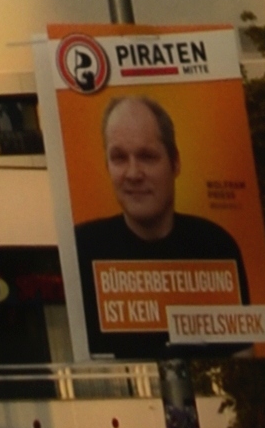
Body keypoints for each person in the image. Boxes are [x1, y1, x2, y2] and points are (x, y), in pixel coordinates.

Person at [74, 95, 243, 340]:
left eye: (147, 156)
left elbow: (241, 348)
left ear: (175, 163)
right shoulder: (80, 250)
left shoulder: (216, 246)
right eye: (119, 158)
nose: (133, 173)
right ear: (106, 165)